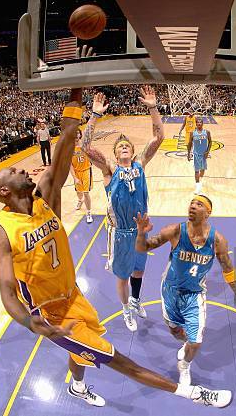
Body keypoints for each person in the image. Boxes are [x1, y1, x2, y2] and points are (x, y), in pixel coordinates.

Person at [0, 88, 232, 409]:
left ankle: (77, 384)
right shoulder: (2, 232)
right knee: (120, 360)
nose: (23, 168)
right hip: (54, 310)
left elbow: (65, 144)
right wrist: (29, 322)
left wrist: (78, 86)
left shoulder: (45, 198)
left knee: (135, 277)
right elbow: (7, 290)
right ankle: (195, 394)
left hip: (78, 289)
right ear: (5, 190)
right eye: (13, 171)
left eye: (127, 145)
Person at [134, 195, 236, 385]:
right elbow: (142, 248)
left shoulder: (217, 241)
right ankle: (185, 341)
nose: (192, 206)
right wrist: (141, 232)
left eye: (199, 204)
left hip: (194, 294)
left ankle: (184, 365)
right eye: (191, 202)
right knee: (175, 332)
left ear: (208, 213)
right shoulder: (174, 231)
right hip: (170, 291)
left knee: (196, 341)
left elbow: (229, 271)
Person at [81, 86, 164, 332]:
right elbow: (85, 147)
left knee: (139, 269)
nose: (124, 147)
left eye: (127, 145)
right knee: (123, 276)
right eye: (120, 147)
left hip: (140, 230)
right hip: (120, 232)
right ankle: (126, 308)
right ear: (115, 155)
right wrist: (95, 116)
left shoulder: (140, 163)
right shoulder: (109, 171)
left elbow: (158, 137)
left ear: (132, 151)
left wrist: (152, 107)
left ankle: (136, 301)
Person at [70, 130, 93, 224]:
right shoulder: (69, 148)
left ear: (80, 134)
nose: (76, 134)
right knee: (79, 191)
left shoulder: (85, 145)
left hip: (86, 170)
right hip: (76, 171)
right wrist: (74, 178)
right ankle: (80, 200)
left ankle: (89, 212)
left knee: (86, 192)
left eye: (77, 133)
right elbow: (70, 165)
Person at [186, 118, 211, 194]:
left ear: (202, 123)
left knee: (202, 170)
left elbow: (210, 142)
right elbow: (189, 144)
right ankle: (197, 186)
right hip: (196, 154)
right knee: (196, 170)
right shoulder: (192, 133)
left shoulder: (207, 132)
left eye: (200, 122)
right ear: (196, 124)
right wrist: (188, 153)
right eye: (197, 122)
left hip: (204, 154)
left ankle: (200, 181)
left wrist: (207, 151)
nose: (199, 123)